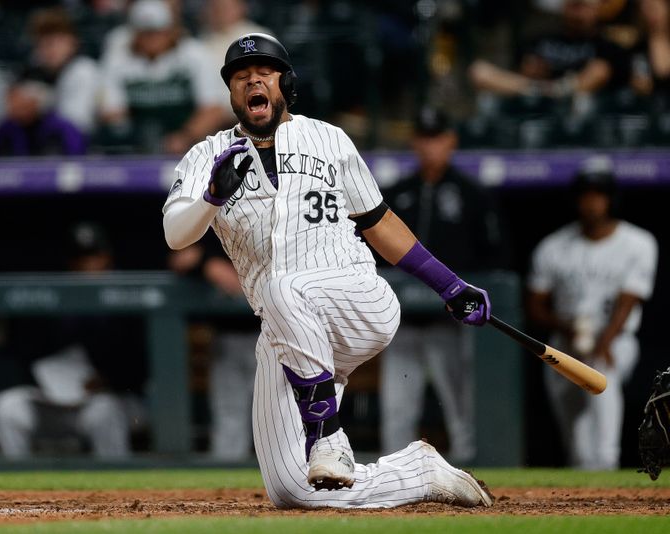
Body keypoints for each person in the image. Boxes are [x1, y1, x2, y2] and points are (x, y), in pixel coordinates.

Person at [163, 33, 494, 509]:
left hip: (355, 299)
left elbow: (380, 224)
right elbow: (176, 234)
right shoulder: (207, 156)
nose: (253, 79)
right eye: (241, 76)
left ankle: (329, 437)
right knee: (292, 490)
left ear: (285, 83)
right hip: (289, 333)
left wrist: (449, 284)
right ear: (232, 94)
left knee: (282, 286)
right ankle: (420, 473)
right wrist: (212, 196)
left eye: (265, 71)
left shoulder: (329, 138)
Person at [379, 107, 509, 463]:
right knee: (397, 409)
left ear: (450, 141)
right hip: (402, 323)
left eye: (436, 138)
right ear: (414, 142)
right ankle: (392, 476)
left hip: (449, 323)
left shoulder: (472, 194)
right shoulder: (395, 192)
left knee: (460, 407)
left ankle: (468, 468)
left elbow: (494, 258)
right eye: (423, 138)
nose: (429, 146)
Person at [526, 158, 658, 470]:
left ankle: (608, 461)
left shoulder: (637, 242)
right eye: (586, 194)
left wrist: (604, 343)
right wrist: (565, 327)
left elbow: (629, 300)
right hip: (565, 340)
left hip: (614, 339)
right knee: (574, 431)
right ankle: (586, 474)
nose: (592, 202)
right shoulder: (554, 246)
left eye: (599, 194)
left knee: (602, 377)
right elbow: (535, 306)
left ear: (610, 198)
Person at [0, 222, 148, 459]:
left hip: (108, 401)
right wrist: (46, 384)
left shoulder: (128, 300)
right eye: (80, 259)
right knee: (6, 407)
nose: (88, 266)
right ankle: (17, 488)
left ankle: (118, 489)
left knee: (105, 412)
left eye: (94, 257)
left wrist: (108, 380)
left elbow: (142, 367)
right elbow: (28, 352)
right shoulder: (54, 299)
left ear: (107, 258)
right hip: (53, 402)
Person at [168, 233, 259, 461]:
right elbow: (180, 258)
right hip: (228, 338)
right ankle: (227, 487)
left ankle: (290, 475)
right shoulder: (209, 221)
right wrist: (207, 261)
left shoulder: (272, 219)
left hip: (274, 334)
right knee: (229, 415)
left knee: (280, 415)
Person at [99, 0, 226, 154]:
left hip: (190, 141)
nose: (152, 39)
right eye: (146, 33)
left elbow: (213, 109)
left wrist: (185, 137)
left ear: (170, 30)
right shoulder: (118, 60)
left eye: (157, 31)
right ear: (135, 34)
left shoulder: (195, 55)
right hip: (138, 141)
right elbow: (111, 112)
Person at [468, 0, 629, 101]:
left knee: (598, 71)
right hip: (535, 94)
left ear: (596, 9)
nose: (577, 14)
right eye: (573, 6)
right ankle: (550, 93)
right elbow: (524, 70)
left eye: (582, 6)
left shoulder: (607, 46)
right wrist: (531, 71)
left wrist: (563, 88)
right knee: (479, 71)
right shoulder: (541, 39)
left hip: (581, 102)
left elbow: (601, 75)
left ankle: (554, 92)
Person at [24, 7, 100, 134]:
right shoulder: (35, 71)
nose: (49, 49)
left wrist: (39, 106)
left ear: (72, 42)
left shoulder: (83, 69)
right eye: (43, 44)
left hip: (83, 147)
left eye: (56, 42)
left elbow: (76, 124)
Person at [0, 78, 86, 156]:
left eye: (19, 100)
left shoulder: (59, 128)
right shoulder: (6, 127)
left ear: (34, 103)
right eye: (11, 100)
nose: (12, 105)